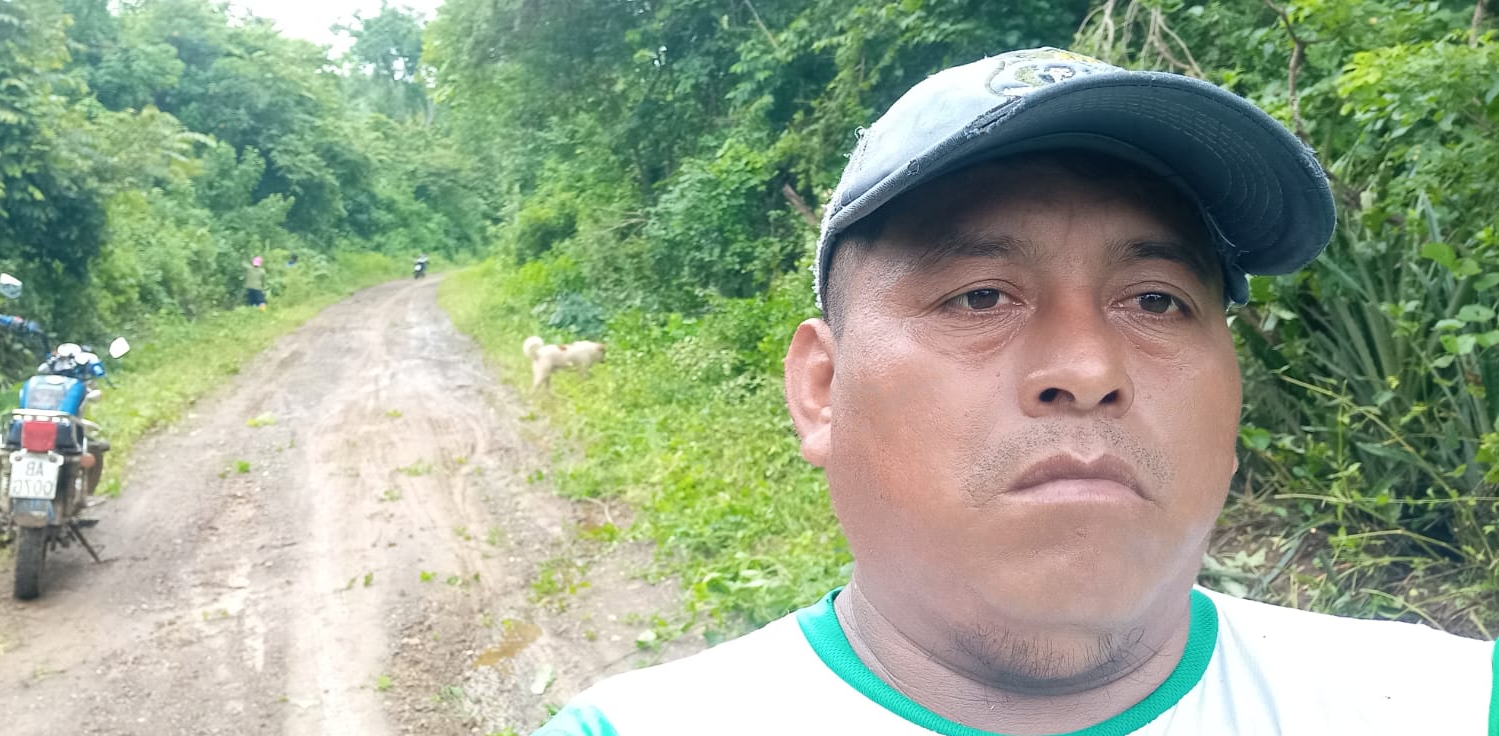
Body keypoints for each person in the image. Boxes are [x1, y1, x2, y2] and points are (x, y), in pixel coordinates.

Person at [533, 48, 1496, 735]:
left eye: (1155, 301)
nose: (1088, 370)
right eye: (980, 296)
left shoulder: (1446, 705)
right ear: (822, 388)